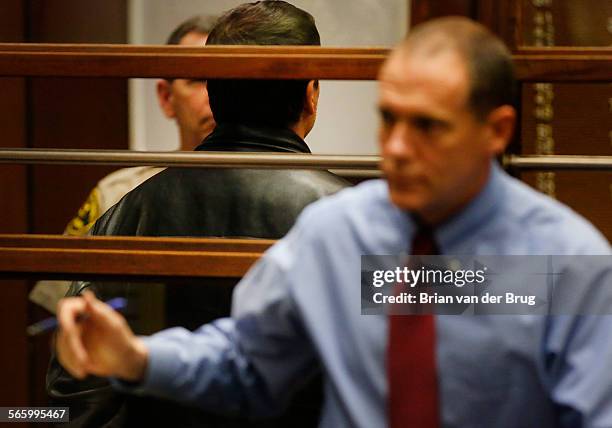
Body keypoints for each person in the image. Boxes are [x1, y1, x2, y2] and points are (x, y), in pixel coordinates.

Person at [56, 16, 612, 428]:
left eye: (427, 126)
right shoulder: (338, 230)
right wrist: (138, 358)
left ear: (497, 132)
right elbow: (246, 361)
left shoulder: (563, 261)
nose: (395, 147)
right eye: (388, 119)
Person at [49, 2, 347, 427]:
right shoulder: (352, 220)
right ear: (311, 93)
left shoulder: (131, 210)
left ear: (212, 91)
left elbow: (76, 384)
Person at [29, 14, 218, 314]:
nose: (215, 93)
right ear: (166, 97)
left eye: (229, 79)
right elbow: (62, 306)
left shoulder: (292, 186)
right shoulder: (119, 192)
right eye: (197, 79)